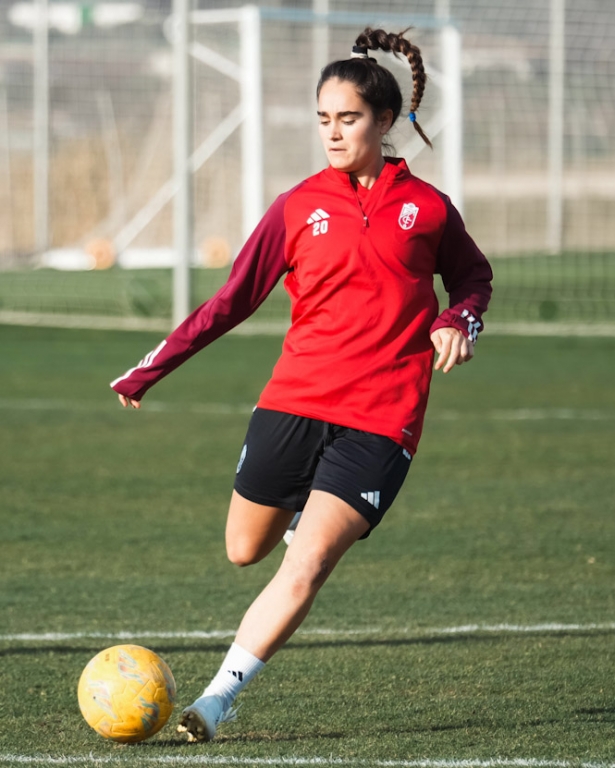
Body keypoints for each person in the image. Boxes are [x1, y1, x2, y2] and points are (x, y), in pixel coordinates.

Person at [110, 27, 493, 743]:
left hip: (383, 418)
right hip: (293, 401)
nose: (333, 133)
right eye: (322, 119)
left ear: (384, 121)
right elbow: (231, 300)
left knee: (309, 559)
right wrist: (151, 367)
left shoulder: (429, 209)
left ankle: (216, 702)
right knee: (243, 549)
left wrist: (458, 320)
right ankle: (296, 512)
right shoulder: (295, 207)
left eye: (347, 119)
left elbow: (473, 277)